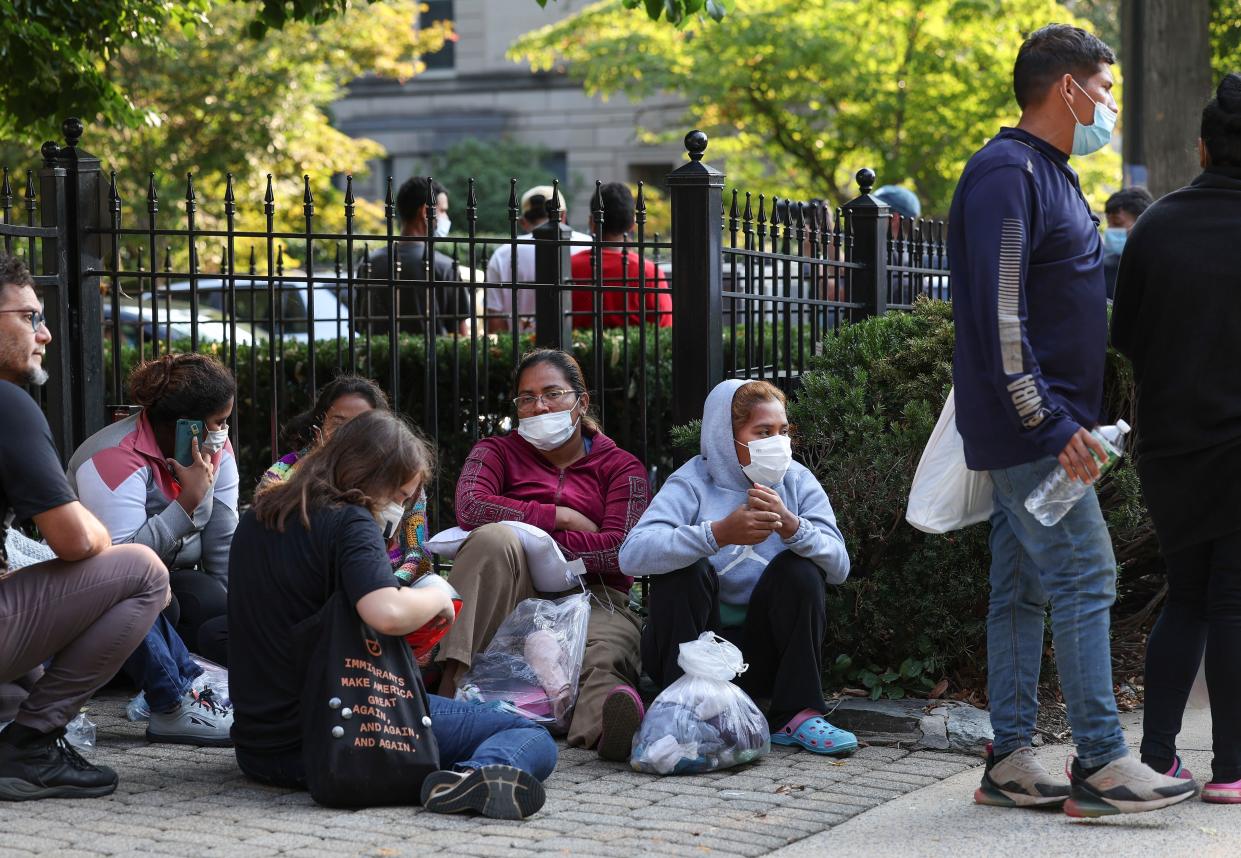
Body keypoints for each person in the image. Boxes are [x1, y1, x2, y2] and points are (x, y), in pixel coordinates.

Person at [950, 23, 1197, 817]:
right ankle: (1099, 764)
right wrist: (1053, 424)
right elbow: (1000, 313)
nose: (1109, 105)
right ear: (1067, 89)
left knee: (1020, 585)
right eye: (1105, 88)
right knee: (1086, 573)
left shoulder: (1045, 173)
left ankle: (1011, 760)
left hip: (1039, 421)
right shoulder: (1006, 173)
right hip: (1031, 427)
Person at [229, 410, 556, 818]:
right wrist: (437, 596)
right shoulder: (350, 519)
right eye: (401, 496)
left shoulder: (259, 516)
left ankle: (442, 773)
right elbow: (386, 613)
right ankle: (472, 777)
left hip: (259, 749)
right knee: (524, 731)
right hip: (337, 735)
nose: (398, 509)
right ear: (372, 474)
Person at [1111, 72, 1241, 805]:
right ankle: (1230, 769)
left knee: (1186, 596)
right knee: (1233, 601)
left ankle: (1156, 757)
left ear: (1201, 147)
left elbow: (1124, 335)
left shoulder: (1156, 224)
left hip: (1171, 442)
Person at [0, 254, 168, 800]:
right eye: (29, 316)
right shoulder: (8, 404)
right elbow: (75, 541)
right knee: (144, 571)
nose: (44, 333)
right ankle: (31, 745)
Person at [619, 379, 854, 754]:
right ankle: (683, 714)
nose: (777, 443)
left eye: (783, 432)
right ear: (726, 436)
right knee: (683, 572)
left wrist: (794, 528)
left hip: (764, 655)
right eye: (763, 432)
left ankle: (796, 715)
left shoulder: (796, 480)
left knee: (802, 571)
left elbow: (839, 565)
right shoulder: (692, 481)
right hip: (696, 652)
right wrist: (717, 534)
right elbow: (632, 555)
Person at [437, 349, 650, 760]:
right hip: (512, 592)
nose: (540, 406)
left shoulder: (623, 468)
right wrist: (561, 517)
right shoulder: (495, 452)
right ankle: (449, 692)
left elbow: (620, 548)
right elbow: (472, 508)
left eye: (552, 394)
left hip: (598, 596)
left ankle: (607, 727)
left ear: (581, 401)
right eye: (527, 397)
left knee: (603, 653)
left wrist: (544, 544)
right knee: (491, 538)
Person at [67, 354, 237, 745]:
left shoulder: (215, 450)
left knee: (214, 603)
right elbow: (120, 565)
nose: (223, 432)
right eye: (217, 422)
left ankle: (195, 678)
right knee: (154, 599)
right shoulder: (111, 457)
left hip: (167, 580)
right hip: (100, 596)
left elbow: (223, 541)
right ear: (186, 426)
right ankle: (172, 698)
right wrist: (186, 505)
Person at [260, 374, 431, 585]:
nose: (349, 437)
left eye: (362, 426)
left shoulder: (403, 481)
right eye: (339, 424)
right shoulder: (282, 476)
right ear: (318, 428)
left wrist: (391, 586)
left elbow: (417, 554)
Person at [356, 176, 466, 337]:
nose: (446, 218)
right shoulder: (445, 267)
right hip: (433, 361)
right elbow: (461, 336)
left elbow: (361, 326)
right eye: (442, 211)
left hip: (378, 360)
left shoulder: (368, 263)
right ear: (425, 211)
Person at [484, 185, 592, 334]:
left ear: (523, 222)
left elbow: (495, 321)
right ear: (563, 215)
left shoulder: (504, 253)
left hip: (522, 349)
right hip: (578, 345)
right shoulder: (588, 246)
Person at [570, 182, 672, 330]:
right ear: (633, 224)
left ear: (592, 222)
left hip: (573, 352)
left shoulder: (568, 267)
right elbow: (664, 330)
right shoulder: (649, 273)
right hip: (637, 353)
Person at [1101, 186, 1153, 299]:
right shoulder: (1103, 269)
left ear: (1142, 222)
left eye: (1117, 223)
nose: (1110, 230)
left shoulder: (1156, 267)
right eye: (1109, 224)